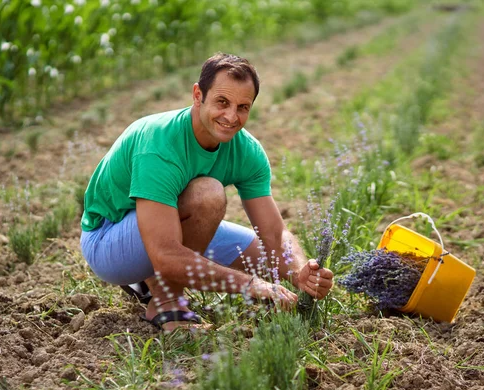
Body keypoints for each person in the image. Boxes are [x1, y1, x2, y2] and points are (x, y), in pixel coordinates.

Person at [80, 53, 334, 331]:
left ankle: (147, 280)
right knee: (207, 194)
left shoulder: (246, 150)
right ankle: (166, 302)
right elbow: (165, 254)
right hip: (108, 240)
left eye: (243, 107)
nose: (231, 116)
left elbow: (274, 234)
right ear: (198, 94)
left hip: (163, 224)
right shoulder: (160, 142)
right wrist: (248, 285)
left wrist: (300, 272)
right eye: (222, 102)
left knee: (263, 257)